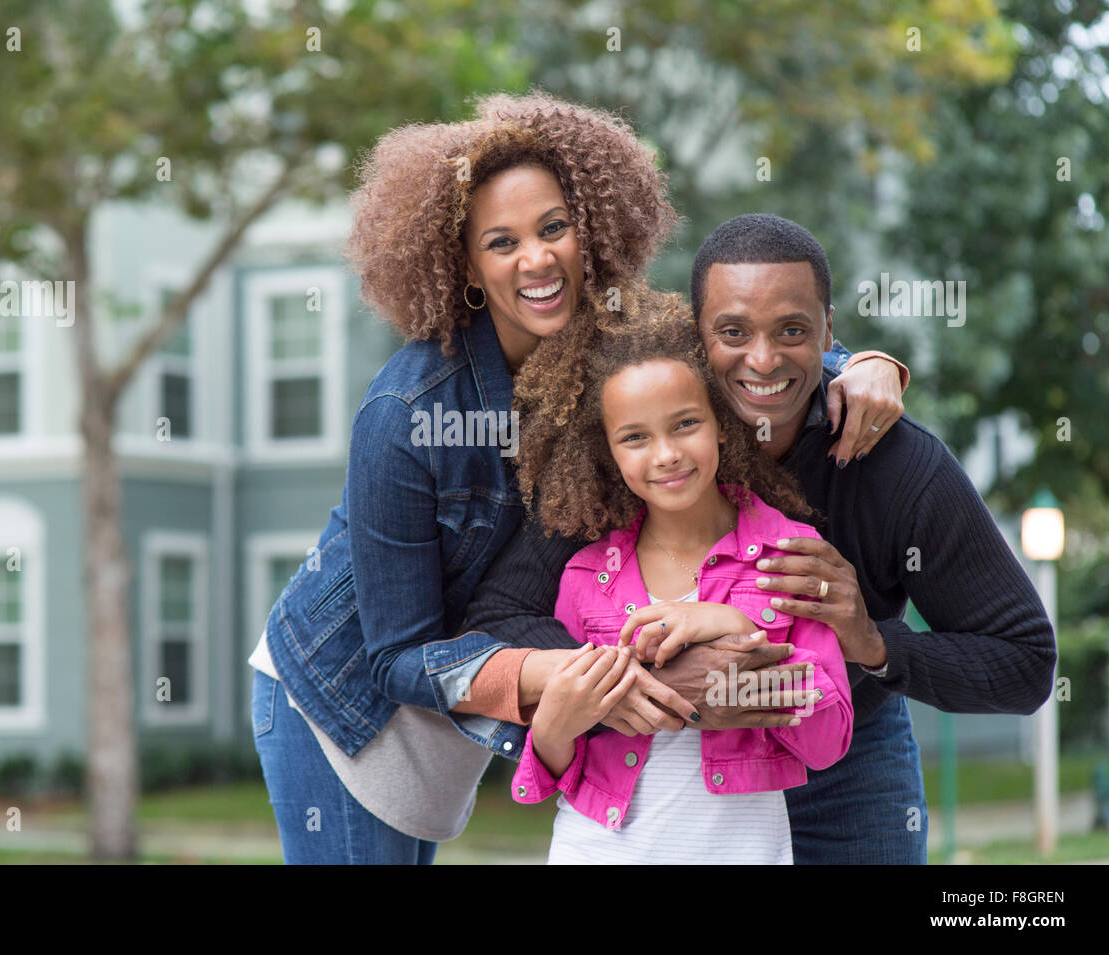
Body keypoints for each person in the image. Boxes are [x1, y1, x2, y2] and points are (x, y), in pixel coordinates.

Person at [250, 93, 907, 864]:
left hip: (476, 691)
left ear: (588, 229)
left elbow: (719, 355)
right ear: (465, 264)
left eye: (554, 228)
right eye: (502, 242)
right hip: (344, 702)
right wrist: (583, 674)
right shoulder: (405, 413)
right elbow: (397, 654)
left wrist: (856, 365)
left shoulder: (610, 340)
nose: (537, 259)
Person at [456, 213, 1056, 864]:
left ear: (829, 333)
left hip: (844, 760)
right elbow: (499, 619)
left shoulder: (896, 464)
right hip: (671, 781)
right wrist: (650, 675)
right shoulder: (627, 464)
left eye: (793, 331)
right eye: (733, 331)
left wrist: (875, 642)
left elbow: (1024, 664)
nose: (763, 360)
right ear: (696, 333)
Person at [508, 289, 853, 864]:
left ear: (721, 422)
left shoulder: (790, 555)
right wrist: (552, 728)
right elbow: (555, 765)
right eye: (636, 437)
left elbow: (828, 740)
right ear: (609, 452)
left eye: (685, 423)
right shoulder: (584, 577)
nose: (665, 454)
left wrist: (734, 624)